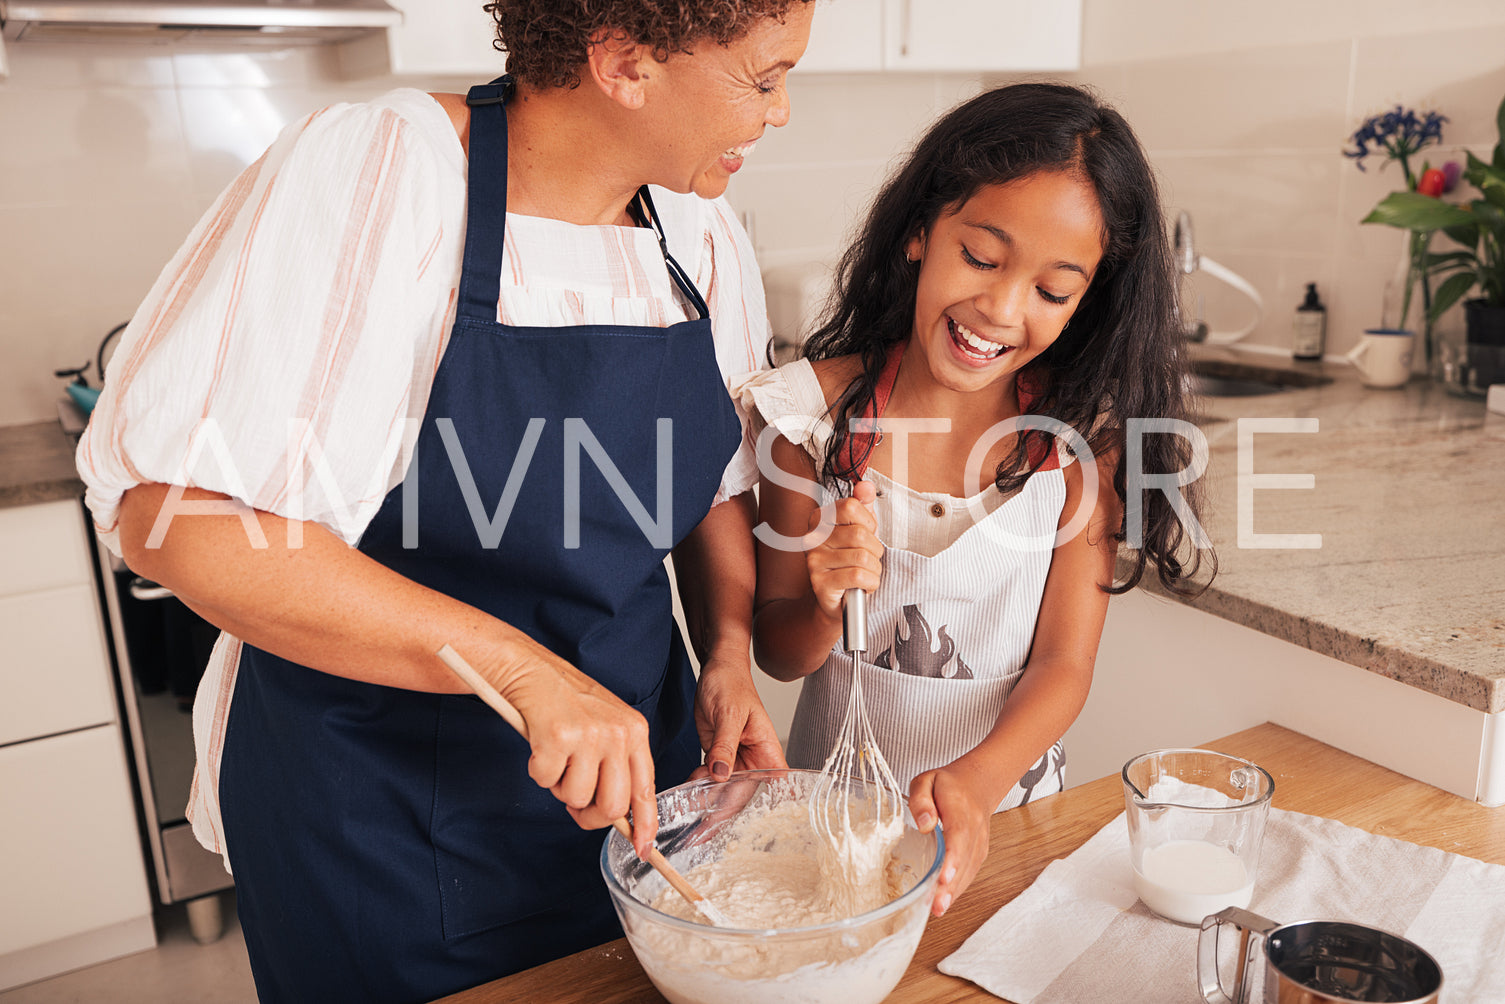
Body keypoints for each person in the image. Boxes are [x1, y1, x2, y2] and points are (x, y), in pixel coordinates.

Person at [75, 1, 815, 999]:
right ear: (624, 61)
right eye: (762, 78)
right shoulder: (386, 173)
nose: (779, 114)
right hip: (377, 814)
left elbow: (709, 479)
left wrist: (726, 649)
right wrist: (518, 669)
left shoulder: (694, 225)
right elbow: (173, 519)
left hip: (628, 784)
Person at [739, 82, 1212, 920]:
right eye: (982, 258)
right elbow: (780, 650)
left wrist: (977, 785)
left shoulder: (1076, 445)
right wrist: (820, 598)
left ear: (1087, 298)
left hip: (1012, 818)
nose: (1000, 309)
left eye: (1051, 291)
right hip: (834, 826)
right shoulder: (803, 422)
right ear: (921, 231)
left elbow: (1064, 665)